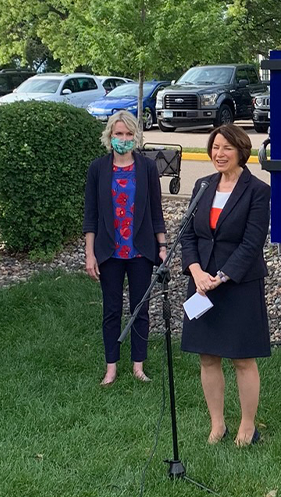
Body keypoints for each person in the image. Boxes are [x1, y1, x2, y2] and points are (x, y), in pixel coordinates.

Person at [180, 124, 271, 446]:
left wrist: (221, 276)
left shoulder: (257, 190)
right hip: (201, 283)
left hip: (239, 283)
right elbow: (188, 234)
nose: (219, 154)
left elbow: (252, 242)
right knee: (207, 356)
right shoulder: (203, 186)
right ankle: (217, 424)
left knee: (242, 358)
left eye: (226, 148)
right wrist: (195, 272)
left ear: (241, 151)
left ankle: (247, 425)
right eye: (215, 147)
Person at [83, 111, 168, 386]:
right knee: (111, 310)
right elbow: (91, 215)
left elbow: (156, 211)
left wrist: (162, 246)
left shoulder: (146, 168)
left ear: (136, 136)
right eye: (119, 134)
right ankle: (111, 367)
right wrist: (90, 254)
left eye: (129, 134)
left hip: (140, 251)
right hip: (109, 252)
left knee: (139, 310)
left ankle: (138, 365)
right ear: (110, 136)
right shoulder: (98, 169)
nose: (124, 139)